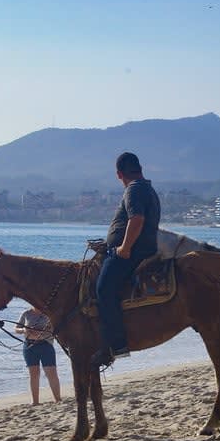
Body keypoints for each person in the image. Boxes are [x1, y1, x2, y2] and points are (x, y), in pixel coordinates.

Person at [91, 152, 161, 369]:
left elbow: (137, 219)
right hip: (140, 249)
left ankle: (115, 345)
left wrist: (124, 248)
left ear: (119, 174)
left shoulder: (134, 189)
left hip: (132, 253)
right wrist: (109, 244)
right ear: (140, 168)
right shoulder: (147, 188)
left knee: (103, 289)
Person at [15, 307, 61, 405]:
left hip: (45, 345)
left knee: (51, 373)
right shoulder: (26, 313)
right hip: (29, 346)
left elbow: (54, 329)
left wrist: (40, 333)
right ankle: (35, 402)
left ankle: (58, 399)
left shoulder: (48, 313)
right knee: (34, 374)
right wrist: (24, 330)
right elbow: (16, 329)